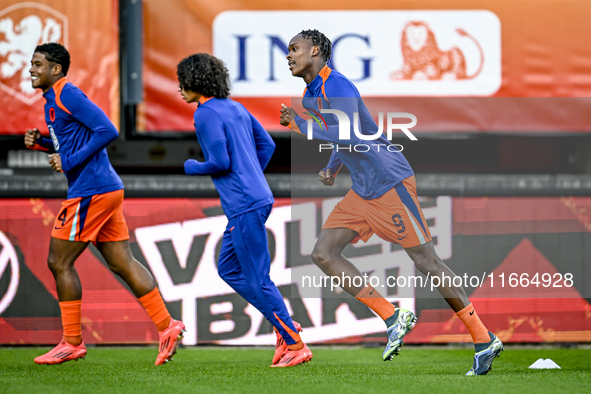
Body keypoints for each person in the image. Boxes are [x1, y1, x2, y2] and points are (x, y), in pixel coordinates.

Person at [280, 29, 503, 376]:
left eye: (295, 49)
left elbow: (350, 132)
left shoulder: (337, 84)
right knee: (323, 253)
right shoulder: (310, 97)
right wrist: (330, 167)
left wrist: (300, 127)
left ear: (317, 51)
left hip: (389, 181)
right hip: (363, 189)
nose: (289, 55)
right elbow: (343, 140)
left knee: (426, 261)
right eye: (288, 50)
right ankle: (393, 315)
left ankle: (483, 338)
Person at [26, 43, 184, 365]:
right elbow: (71, 142)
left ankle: (72, 342)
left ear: (56, 69)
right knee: (122, 262)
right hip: (105, 188)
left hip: (91, 191)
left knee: (59, 262)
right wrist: (43, 144)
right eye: (32, 64)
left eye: (38, 64)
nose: (31, 69)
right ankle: (168, 326)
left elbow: (107, 130)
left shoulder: (66, 94)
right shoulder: (52, 100)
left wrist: (67, 160)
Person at [177, 53, 312, 367]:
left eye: (183, 81)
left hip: (244, 204)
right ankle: (283, 325)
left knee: (257, 277)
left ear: (196, 81)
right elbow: (267, 145)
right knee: (229, 269)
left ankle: (294, 342)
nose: (179, 88)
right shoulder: (236, 107)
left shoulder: (205, 113)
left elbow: (220, 162)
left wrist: (191, 166)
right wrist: (251, 176)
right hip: (256, 199)